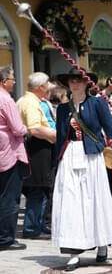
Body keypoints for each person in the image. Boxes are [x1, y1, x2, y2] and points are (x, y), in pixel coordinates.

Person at [52, 69, 112, 271]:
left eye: (79, 81)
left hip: (92, 157)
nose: (75, 85)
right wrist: (56, 163)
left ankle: (102, 245)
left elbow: (111, 132)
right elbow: (60, 138)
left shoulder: (97, 103)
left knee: (96, 200)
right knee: (70, 203)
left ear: (86, 84)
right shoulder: (62, 109)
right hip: (69, 157)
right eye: (72, 82)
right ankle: (73, 253)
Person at [17, 72, 56, 239]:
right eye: (47, 84)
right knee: (38, 188)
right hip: (37, 148)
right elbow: (35, 128)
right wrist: (57, 134)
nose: (48, 88)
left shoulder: (26, 100)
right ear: (41, 87)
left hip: (34, 147)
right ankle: (32, 228)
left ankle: (37, 225)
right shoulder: (31, 103)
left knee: (38, 188)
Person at [0, 66, 28, 251]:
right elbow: (18, 128)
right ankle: (6, 238)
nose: (14, 81)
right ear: (4, 81)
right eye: (12, 78)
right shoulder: (6, 99)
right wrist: (27, 130)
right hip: (9, 152)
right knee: (9, 198)